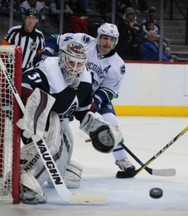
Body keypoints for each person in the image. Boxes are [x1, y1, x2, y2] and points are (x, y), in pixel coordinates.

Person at [19, 41, 122, 204]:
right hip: (32, 119)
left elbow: (83, 109)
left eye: (79, 63)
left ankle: (56, 171)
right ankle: (23, 179)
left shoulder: (85, 79)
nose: (75, 68)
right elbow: (21, 84)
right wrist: (31, 105)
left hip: (56, 118)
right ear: (62, 59)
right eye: (71, 62)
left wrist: (98, 127)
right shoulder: (47, 71)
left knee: (66, 144)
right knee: (53, 144)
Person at [38, 23, 136, 176]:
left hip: (92, 96)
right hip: (69, 91)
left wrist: (95, 101)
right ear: (98, 37)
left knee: (111, 121)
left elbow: (109, 90)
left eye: (111, 39)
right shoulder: (83, 41)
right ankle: (55, 158)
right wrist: (48, 52)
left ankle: (122, 160)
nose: (107, 43)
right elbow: (55, 39)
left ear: (116, 42)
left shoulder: (118, 65)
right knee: (59, 125)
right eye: (104, 38)